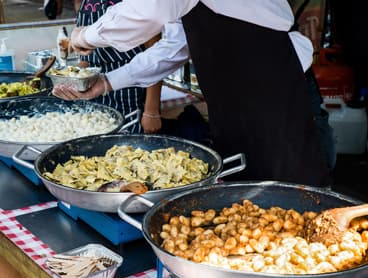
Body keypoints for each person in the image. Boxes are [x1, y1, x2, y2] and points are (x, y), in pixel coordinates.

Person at [60, 0, 332, 187]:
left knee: (297, 201)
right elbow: (175, 46)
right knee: (244, 197)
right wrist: (108, 82)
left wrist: (85, 37)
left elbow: (150, 11)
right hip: (234, 106)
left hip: (279, 94)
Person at [52, 0, 189, 133]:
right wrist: (74, 78)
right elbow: (86, 56)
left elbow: (159, 55)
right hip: (95, 89)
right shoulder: (84, 3)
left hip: (130, 93)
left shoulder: (139, 5)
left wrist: (151, 111)